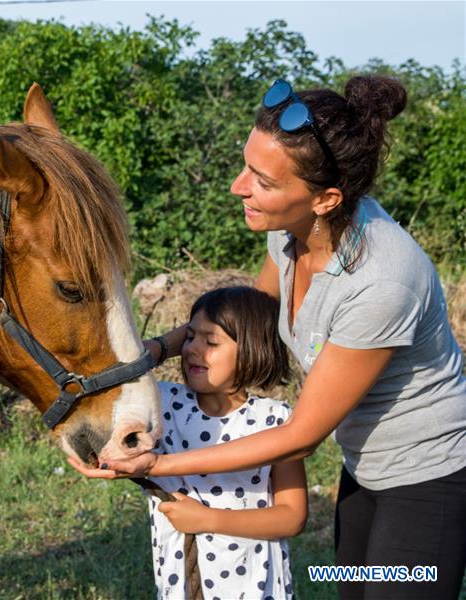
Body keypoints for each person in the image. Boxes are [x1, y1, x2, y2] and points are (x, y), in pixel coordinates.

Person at [71, 75, 466, 599]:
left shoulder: (383, 283)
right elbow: (249, 319)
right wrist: (157, 350)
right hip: (363, 464)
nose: (238, 186)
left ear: (325, 199)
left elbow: (300, 435)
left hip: (426, 476)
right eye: (246, 165)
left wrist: (158, 465)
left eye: (262, 180)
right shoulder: (291, 231)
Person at [146, 286, 306, 599]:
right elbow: (115, 370)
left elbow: (292, 516)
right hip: (181, 586)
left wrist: (209, 520)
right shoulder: (162, 404)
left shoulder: (274, 421)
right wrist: (160, 347)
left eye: (211, 341)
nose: (192, 349)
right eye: (190, 337)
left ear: (251, 348)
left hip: (255, 586)